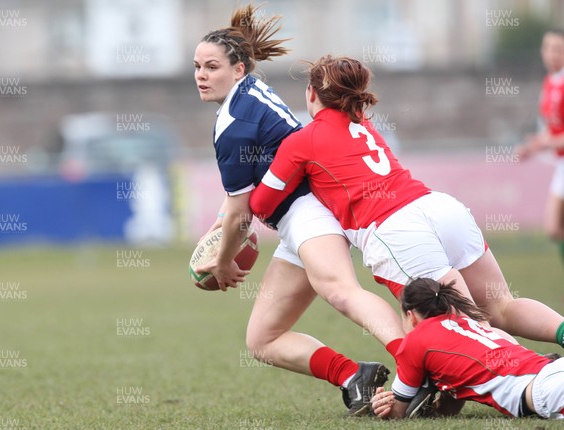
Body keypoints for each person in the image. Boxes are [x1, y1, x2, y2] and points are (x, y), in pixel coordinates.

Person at [250, 54, 564, 347]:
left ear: (311, 93)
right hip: (440, 208)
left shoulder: (302, 141)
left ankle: (538, 374)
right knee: (502, 308)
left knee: (464, 330)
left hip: (398, 229)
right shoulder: (363, 122)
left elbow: (262, 204)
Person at [192, 5, 405, 416]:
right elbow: (240, 200)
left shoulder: (234, 122)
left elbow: (240, 214)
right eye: (197, 66)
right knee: (263, 338)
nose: (201, 75)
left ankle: (419, 364)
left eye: (212, 66)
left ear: (238, 69)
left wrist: (220, 262)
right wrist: (220, 231)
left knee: (342, 292)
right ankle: (352, 376)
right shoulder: (247, 93)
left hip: (311, 211)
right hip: (298, 220)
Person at [370, 278, 564, 420]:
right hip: (551, 372)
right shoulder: (465, 323)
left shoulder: (414, 341)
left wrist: (381, 404)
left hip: (546, 389)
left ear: (410, 316)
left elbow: (397, 413)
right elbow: (452, 401)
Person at [516, 29, 564, 265]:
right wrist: (532, 146)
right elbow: (552, 130)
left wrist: (544, 143)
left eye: (559, 49)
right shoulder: (549, 83)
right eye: (548, 48)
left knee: (554, 226)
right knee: (555, 228)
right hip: (561, 162)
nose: (553, 54)